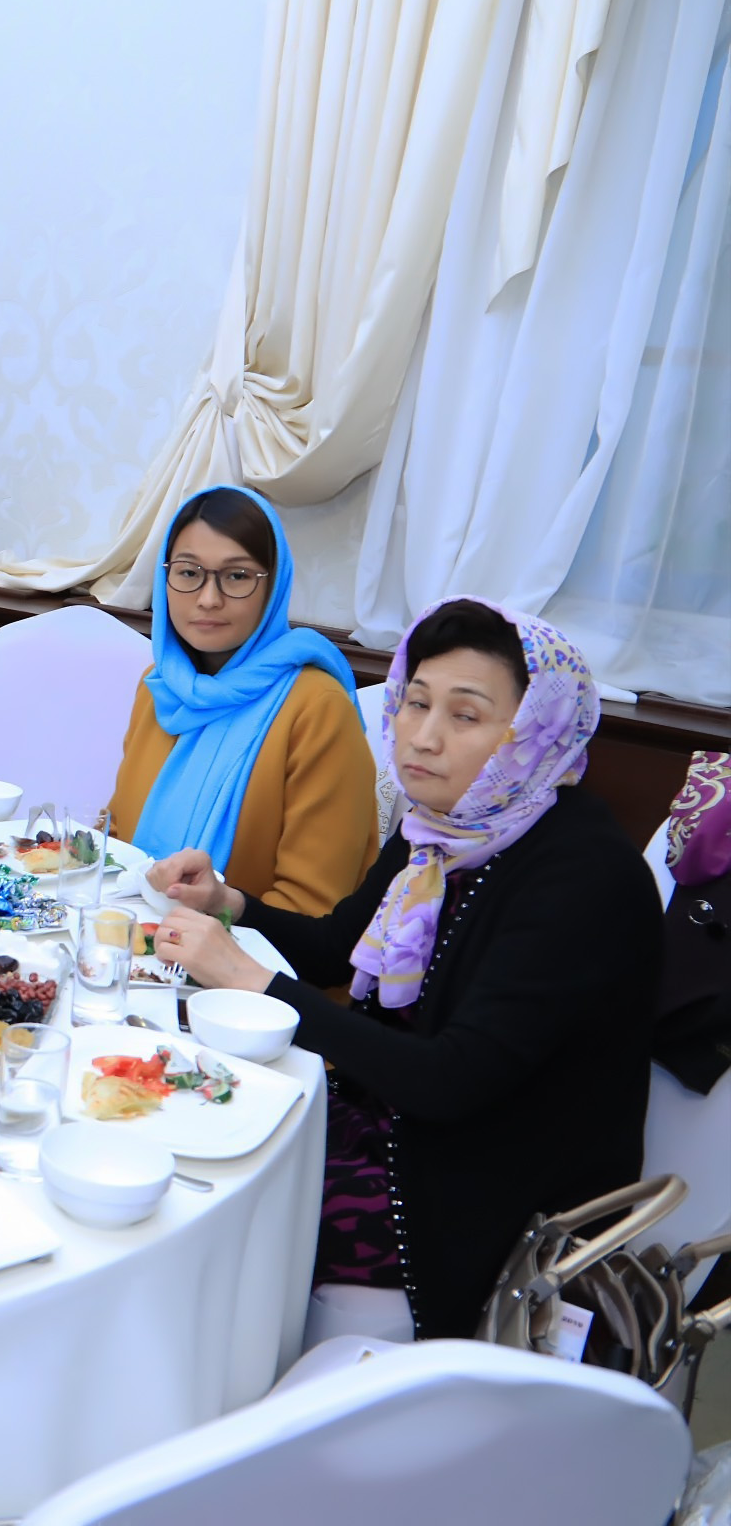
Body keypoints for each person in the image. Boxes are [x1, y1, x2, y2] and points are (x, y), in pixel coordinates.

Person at [152, 599, 659, 1339]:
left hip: (478, 1196)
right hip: (393, 1124)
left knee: (214, 1212)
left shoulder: (584, 878)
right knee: (180, 1131)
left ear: (535, 731)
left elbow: (451, 1080)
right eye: (416, 702)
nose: (422, 736)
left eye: (466, 715)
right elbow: (336, 946)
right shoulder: (443, 827)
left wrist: (252, 980)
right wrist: (231, 904)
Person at [108, 485, 378, 915]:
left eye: (237, 576)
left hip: (250, 952)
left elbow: (313, 908)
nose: (208, 599)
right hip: (130, 936)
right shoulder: (159, 687)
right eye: (188, 572)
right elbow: (119, 841)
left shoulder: (318, 708)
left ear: (273, 586)